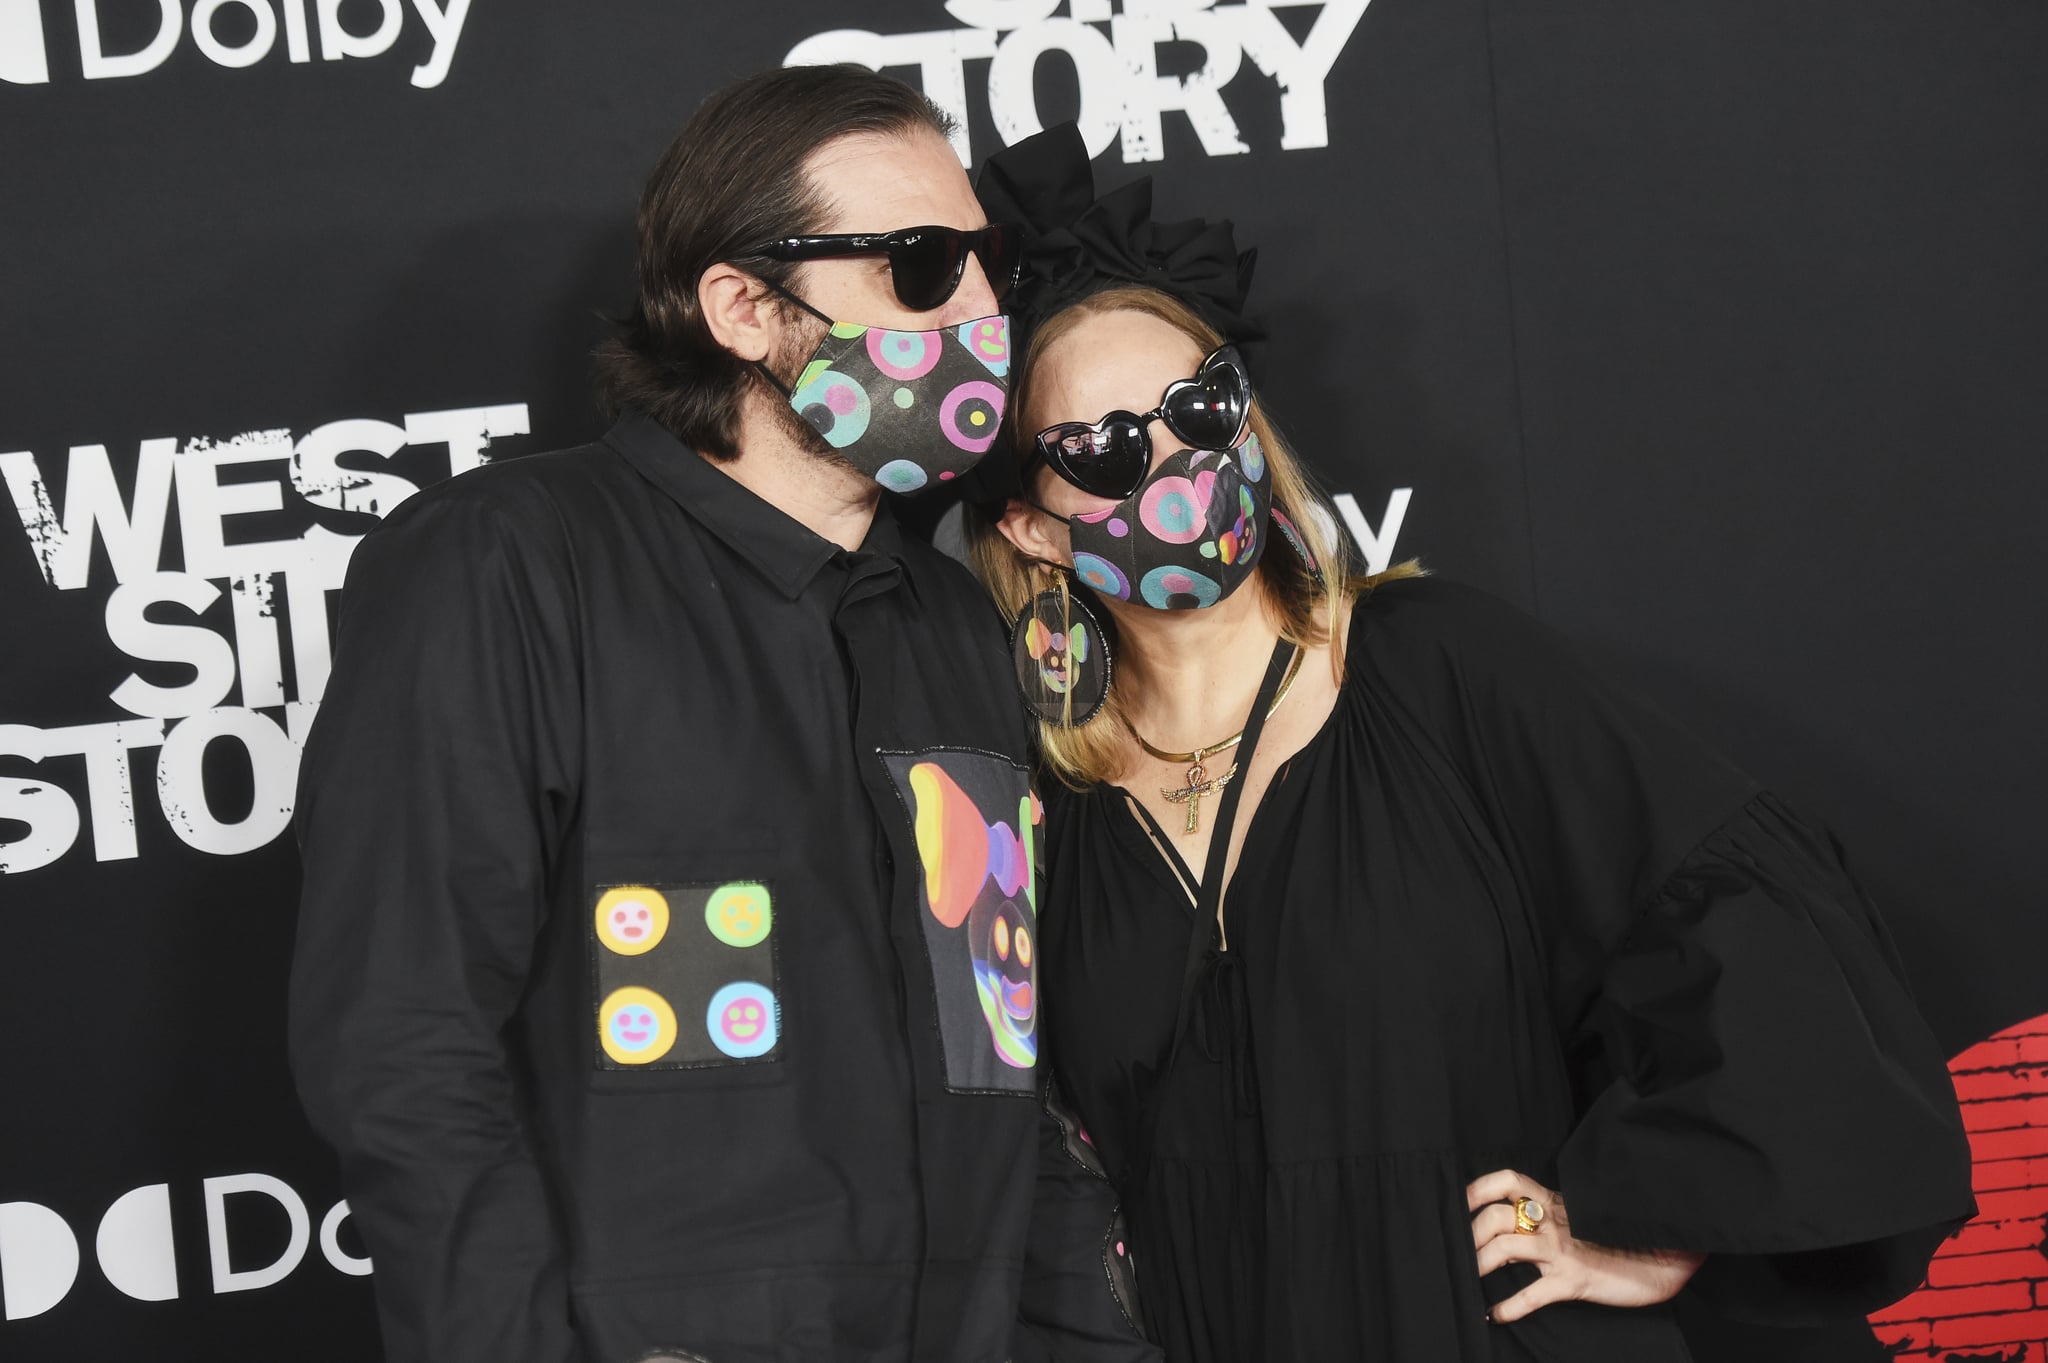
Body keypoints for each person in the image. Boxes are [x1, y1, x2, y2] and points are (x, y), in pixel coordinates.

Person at [958, 124, 1976, 1362]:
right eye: (1108, 449)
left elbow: (1733, 929)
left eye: (1199, 407)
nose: (1176, 466)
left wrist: (1645, 1226)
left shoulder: (1435, 669)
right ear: (1035, 528)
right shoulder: (1034, 804)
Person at [290, 70, 1158, 1363]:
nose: (982, 310)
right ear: (745, 307)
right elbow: (404, 1043)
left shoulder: (952, 621)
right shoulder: (510, 564)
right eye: (921, 267)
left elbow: (995, 1041)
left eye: (988, 264)